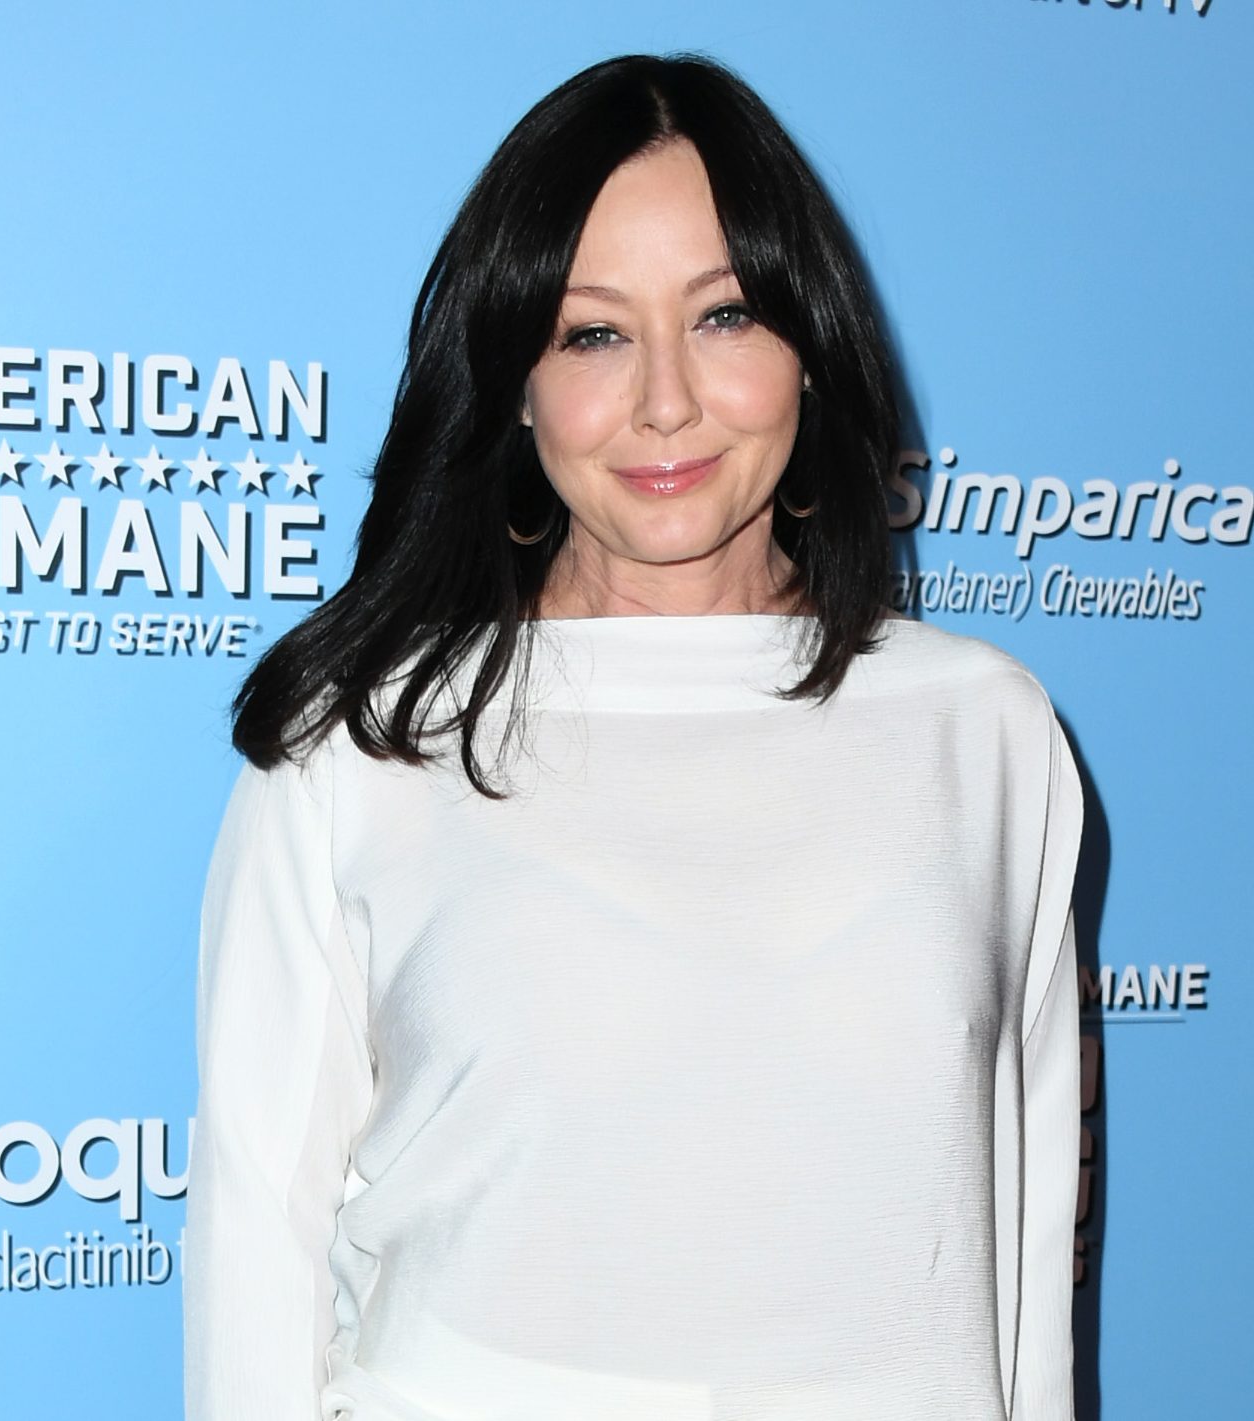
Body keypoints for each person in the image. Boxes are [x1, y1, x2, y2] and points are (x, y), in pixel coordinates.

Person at [183, 51, 1085, 1421]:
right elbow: (256, 1251)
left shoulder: (984, 731)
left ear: (808, 345)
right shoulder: (357, 742)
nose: (666, 400)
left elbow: (1014, 1254)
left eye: (723, 317)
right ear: (515, 381)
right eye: (591, 333)